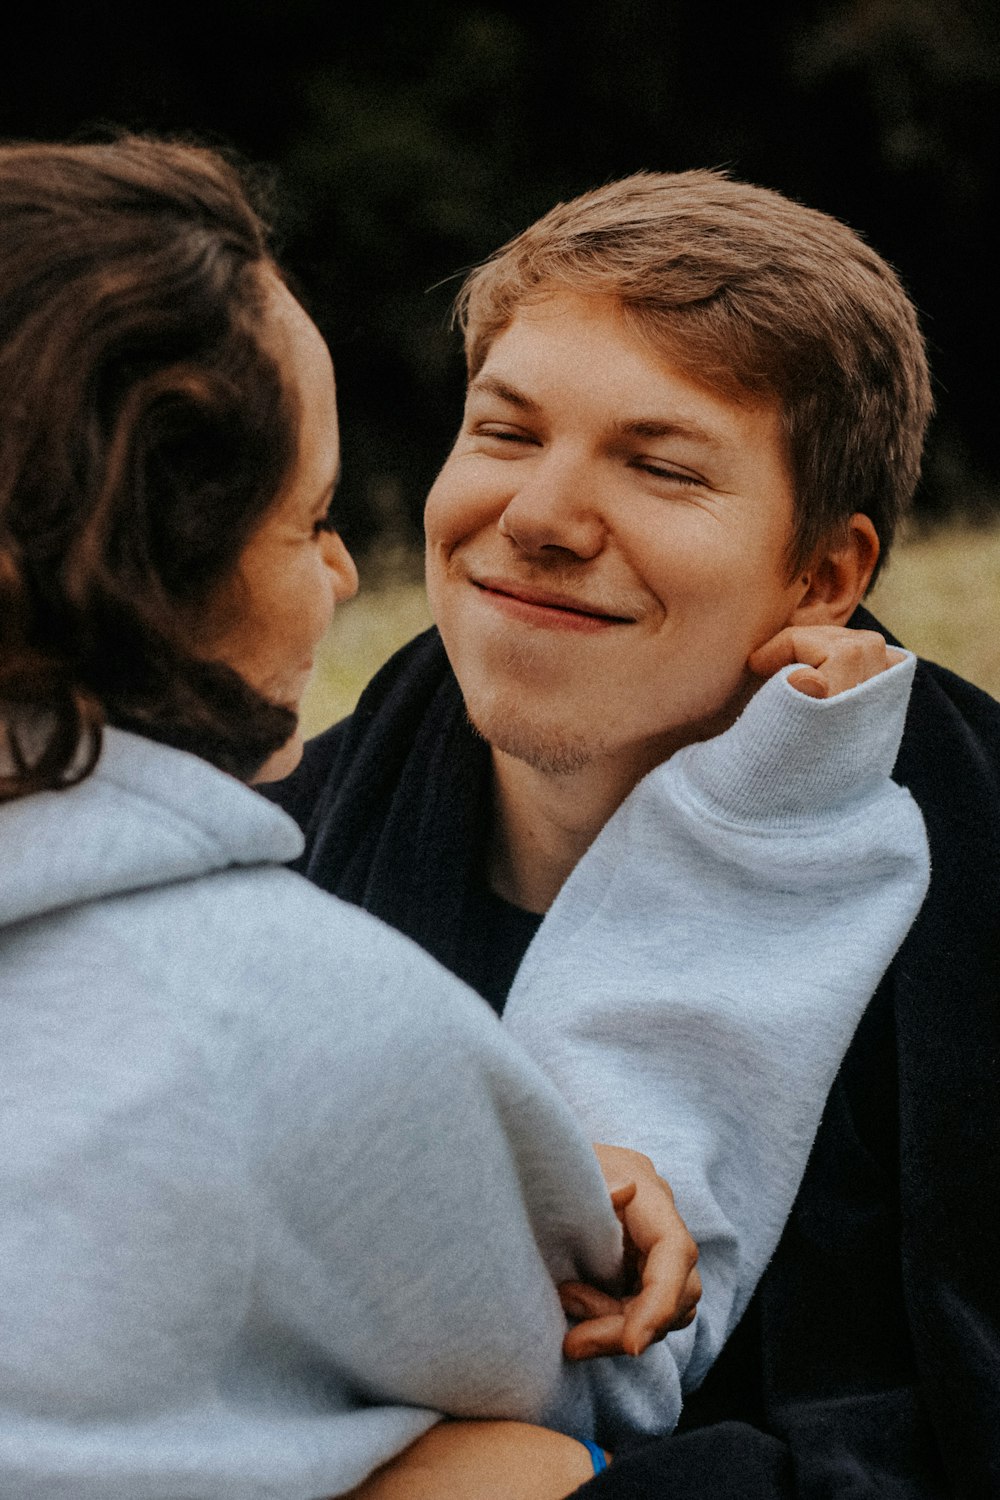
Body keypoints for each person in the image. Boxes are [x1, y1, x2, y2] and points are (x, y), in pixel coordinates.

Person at [0, 136, 708, 1500]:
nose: (342, 568)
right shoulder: (297, 1009)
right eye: (310, 517)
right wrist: (566, 1195)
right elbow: (568, 1354)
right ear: (158, 571)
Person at [273, 171, 1000, 1496]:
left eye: (659, 466)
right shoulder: (253, 868)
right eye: (504, 433)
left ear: (826, 575)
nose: (540, 519)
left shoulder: (976, 877)